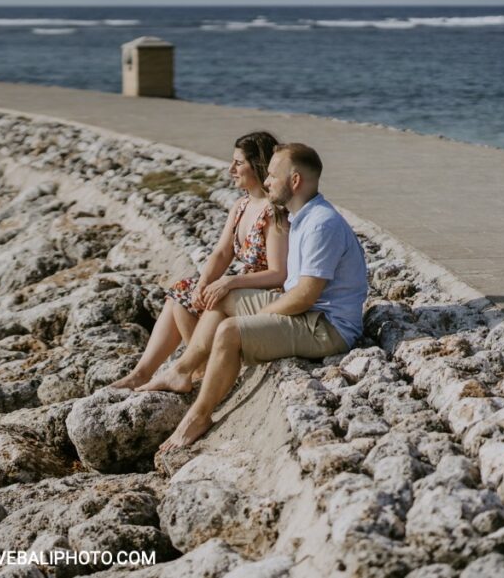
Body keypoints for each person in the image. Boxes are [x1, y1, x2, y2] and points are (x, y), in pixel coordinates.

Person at [158, 142, 369, 451]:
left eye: (272, 175)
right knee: (224, 296)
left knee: (229, 330)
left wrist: (257, 319)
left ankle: (198, 417)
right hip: (307, 312)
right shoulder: (301, 217)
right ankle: (183, 370)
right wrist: (228, 285)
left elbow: (305, 296)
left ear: (294, 181)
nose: (266, 181)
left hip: (327, 327)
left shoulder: (321, 224)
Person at [110, 131, 288, 391]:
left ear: (258, 165)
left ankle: (198, 371)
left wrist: (229, 282)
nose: (231, 169)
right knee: (185, 292)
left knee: (191, 295)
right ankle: (144, 373)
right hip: (242, 287)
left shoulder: (273, 212)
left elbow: (278, 273)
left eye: (238, 163)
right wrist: (204, 282)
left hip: (267, 294)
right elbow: (221, 253)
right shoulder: (241, 205)